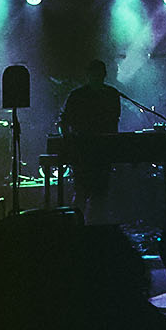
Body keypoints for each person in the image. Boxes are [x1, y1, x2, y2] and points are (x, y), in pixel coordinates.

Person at [57, 60, 122, 222]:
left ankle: (91, 226)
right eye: (94, 74)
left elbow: (114, 122)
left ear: (104, 75)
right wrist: (68, 143)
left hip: (101, 151)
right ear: (89, 75)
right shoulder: (78, 95)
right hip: (83, 151)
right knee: (83, 192)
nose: (97, 77)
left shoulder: (111, 94)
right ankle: (78, 226)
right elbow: (64, 122)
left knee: (99, 193)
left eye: (99, 74)